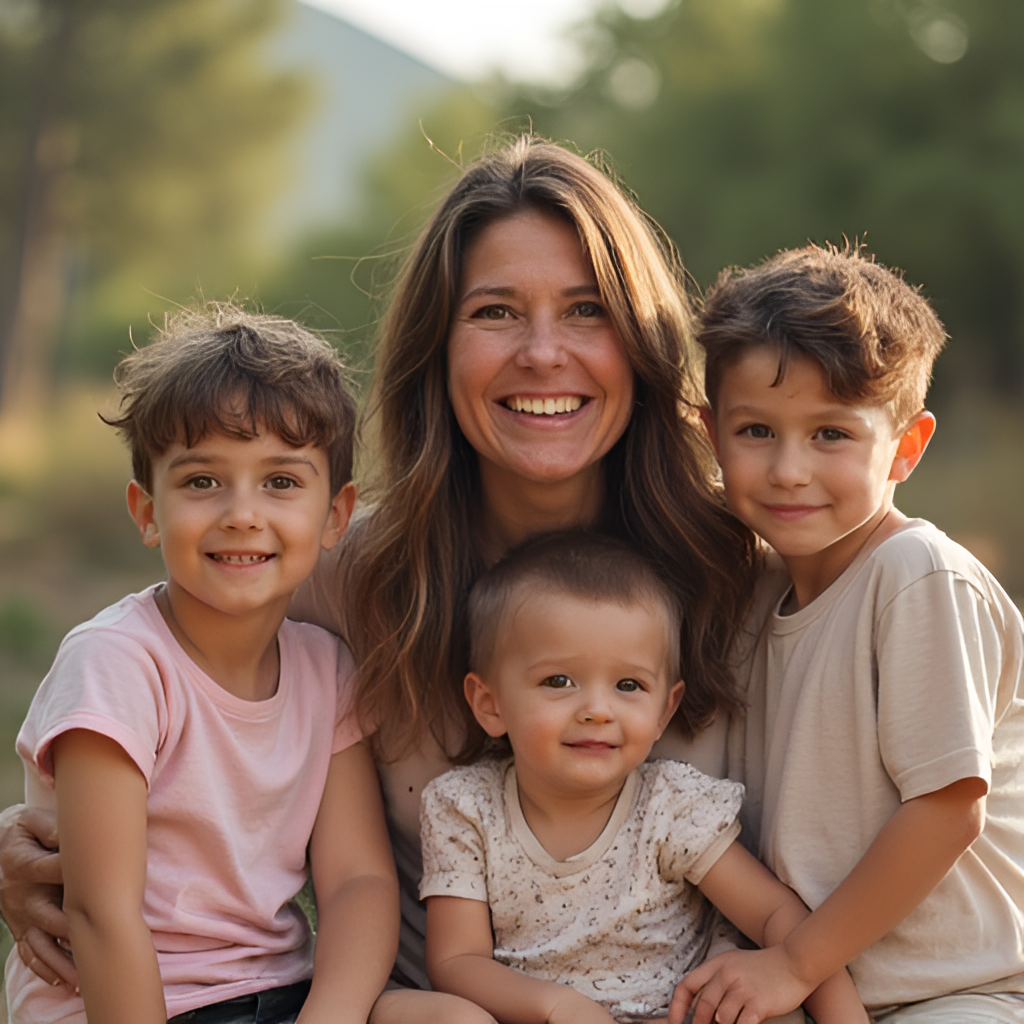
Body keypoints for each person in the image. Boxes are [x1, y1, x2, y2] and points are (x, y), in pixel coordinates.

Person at [0, 138, 759, 1023]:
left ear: (642, 341)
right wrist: (21, 841)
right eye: (496, 312)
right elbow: (150, 701)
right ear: (435, 351)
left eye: (587, 310)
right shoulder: (337, 580)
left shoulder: (739, 571)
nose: (544, 352)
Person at [4, 305, 399, 1024]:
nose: (242, 513)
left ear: (336, 516)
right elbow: (101, 914)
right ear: (147, 510)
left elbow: (358, 882)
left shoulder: (327, 670)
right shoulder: (117, 665)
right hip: (129, 1000)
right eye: (202, 482)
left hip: (281, 996)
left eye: (281, 482)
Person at [674, 244, 1024, 1024]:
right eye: (756, 431)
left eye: (831, 435)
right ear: (711, 432)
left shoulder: (918, 575)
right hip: (815, 986)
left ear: (907, 446)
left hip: (956, 989)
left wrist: (795, 962)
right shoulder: (757, 593)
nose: (789, 470)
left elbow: (946, 809)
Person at [420, 530, 867, 1024]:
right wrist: (557, 1007)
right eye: (558, 681)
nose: (596, 710)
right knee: (412, 1012)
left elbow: (775, 918)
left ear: (663, 710)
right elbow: (456, 961)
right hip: (530, 1015)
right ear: (490, 704)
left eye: (628, 685)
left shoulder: (668, 808)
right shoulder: (467, 808)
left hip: (668, 1014)